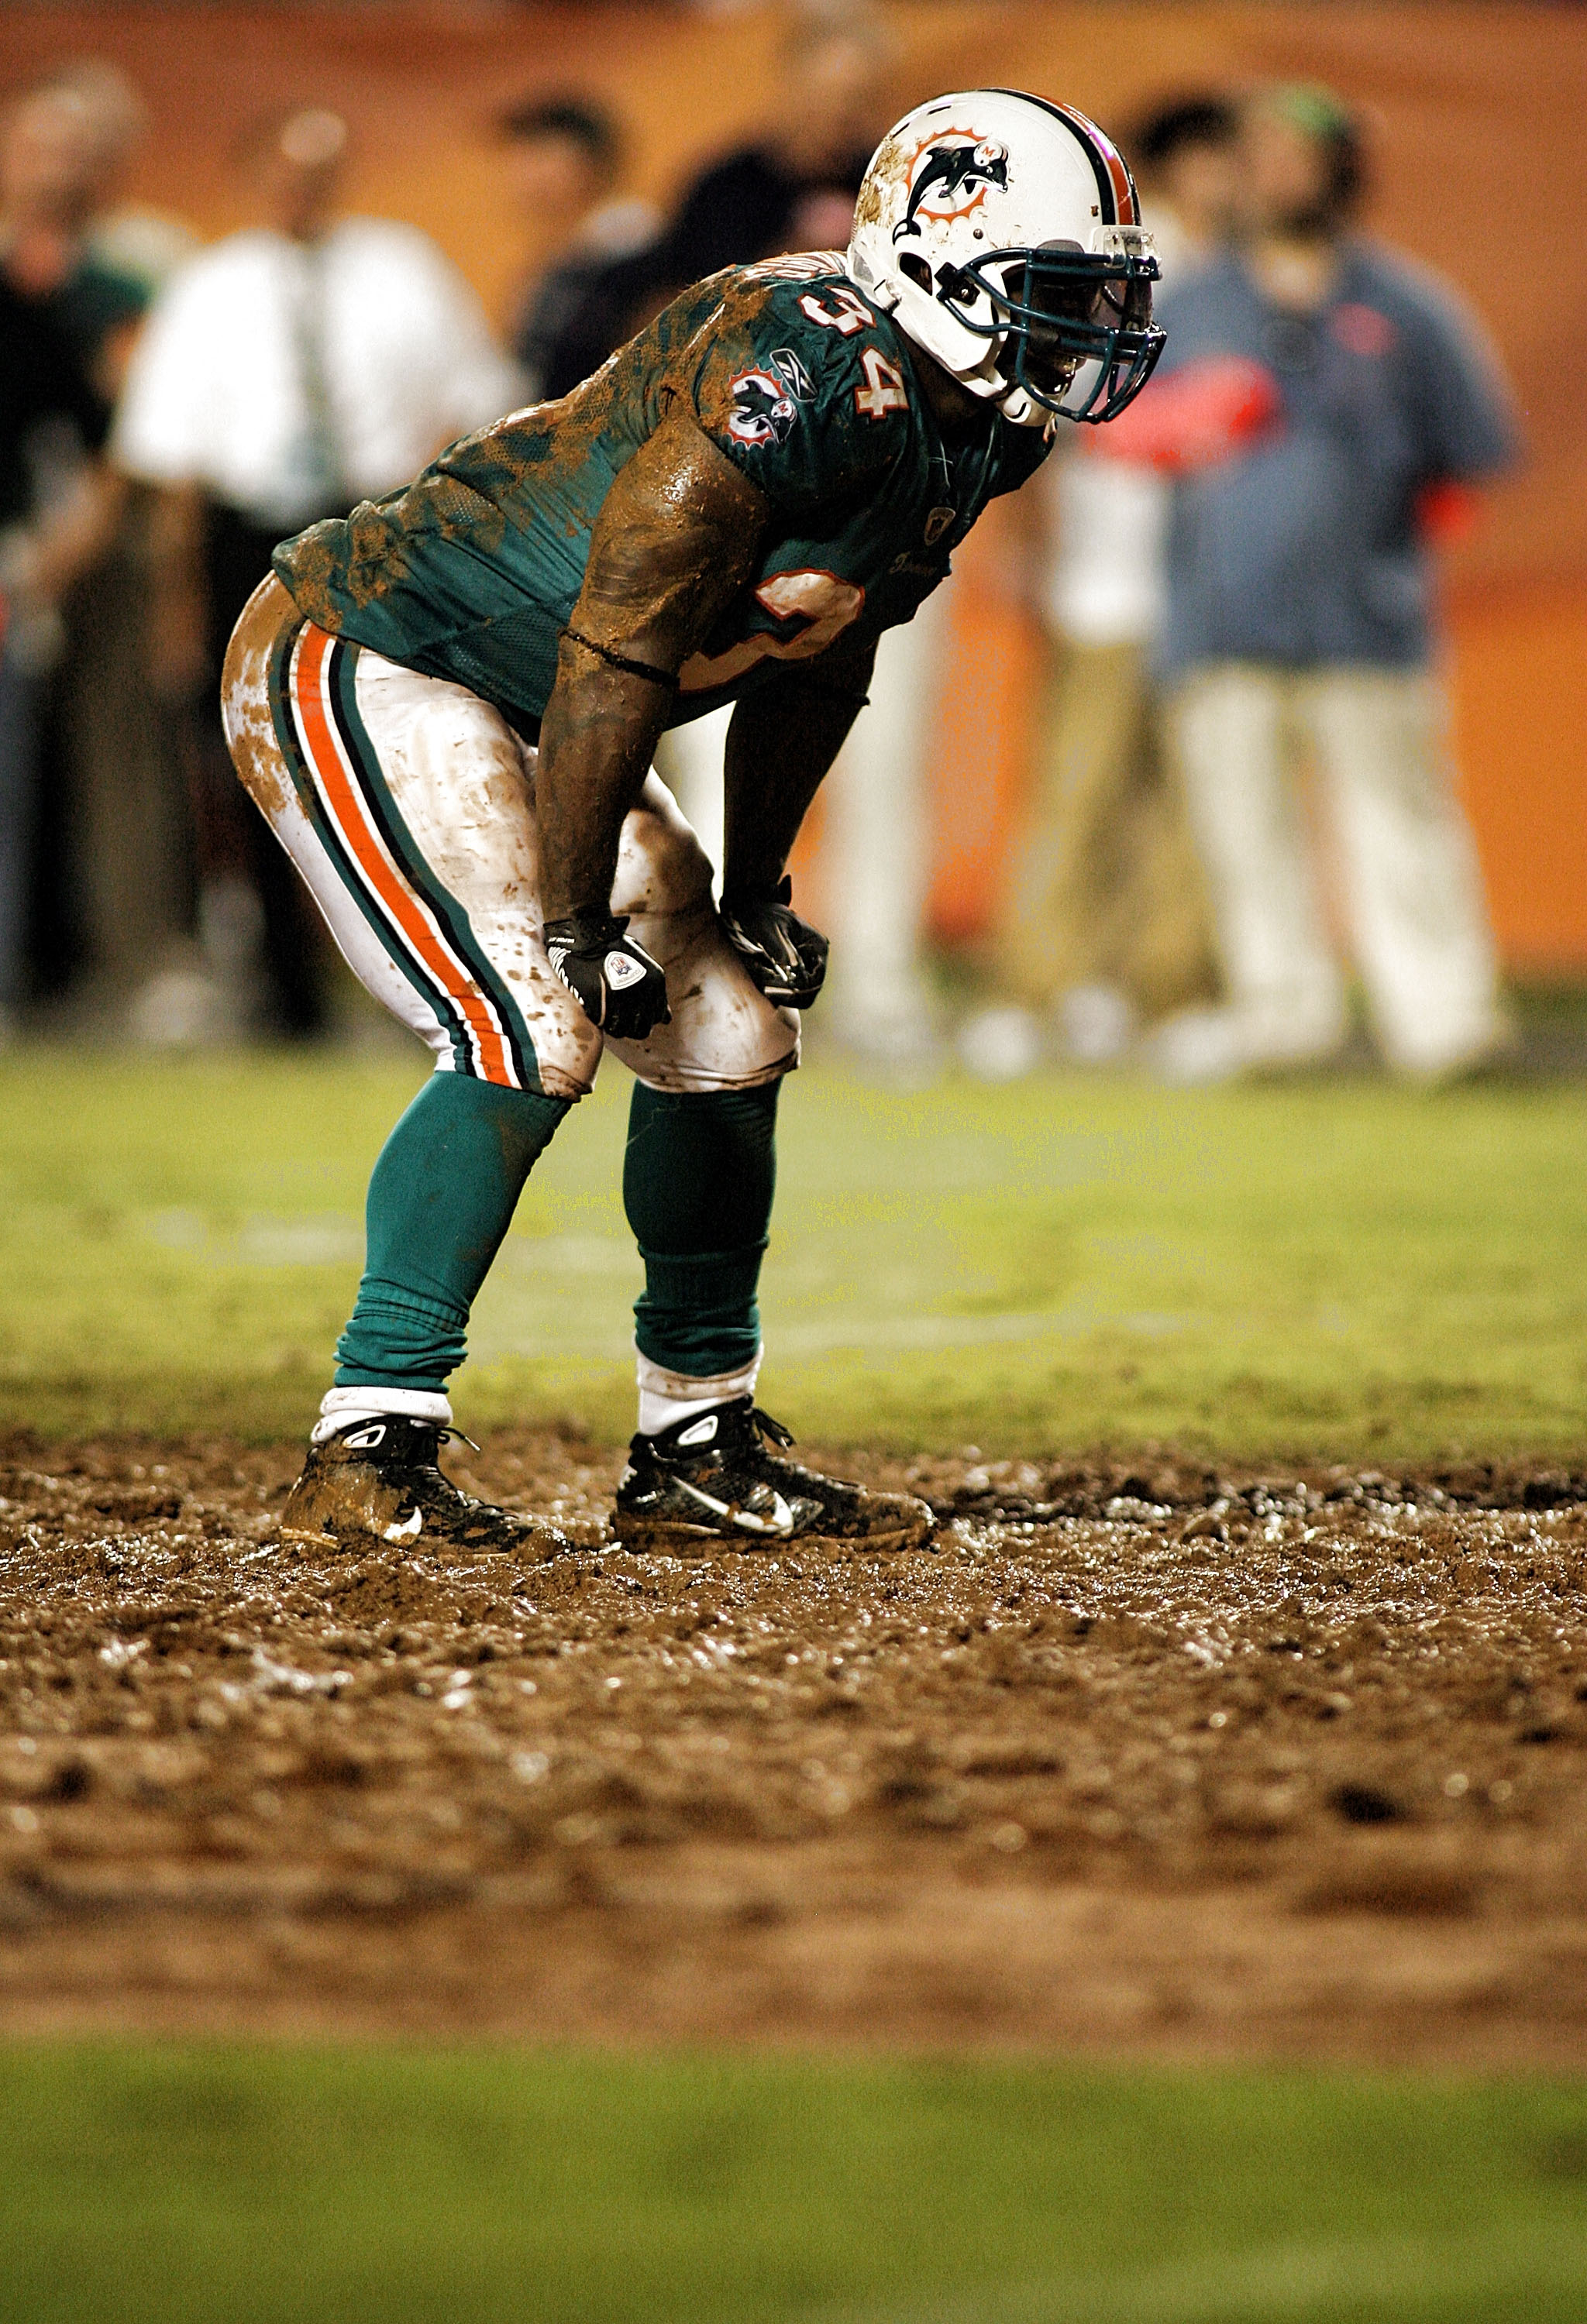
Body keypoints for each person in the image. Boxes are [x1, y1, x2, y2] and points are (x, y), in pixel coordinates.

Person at [218, 89, 1164, 1555]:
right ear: (942, 253)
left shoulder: (978, 426)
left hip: (541, 701)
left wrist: (757, 882)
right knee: (532, 1016)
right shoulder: (787, 363)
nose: (1087, 324)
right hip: (373, 650)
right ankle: (368, 1440)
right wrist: (581, 920)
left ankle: (696, 1444)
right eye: (1059, 286)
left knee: (730, 1027)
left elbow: (823, 656)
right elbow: (614, 650)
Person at [113, 105, 520, 1040]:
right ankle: (284, 994)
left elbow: (481, 406)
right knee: (258, 762)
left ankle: (427, 976)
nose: (303, 189)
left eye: (321, 169)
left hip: (376, 527)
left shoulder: (403, 270)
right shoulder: (208, 287)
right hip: (249, 537)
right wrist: (179, 612)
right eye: (285, 170)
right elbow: (171, 461)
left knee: (404, 748)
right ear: (251, 176)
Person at [1141, 84, 1517, 1081]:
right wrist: (1177, 432)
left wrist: (1384, 527)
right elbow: (1110, 431)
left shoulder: (1407, 307)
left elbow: (1471, 455)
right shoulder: (1190, 305)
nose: (1275, 174)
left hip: (1366, 622)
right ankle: (1283, 1021)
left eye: (1298, 156)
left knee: (1402, 827)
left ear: (1343, 171)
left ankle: (1442, 1026)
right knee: (1245, 834)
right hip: (1220, 619)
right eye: (1259, 154)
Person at [973, 96, 1237, 1076]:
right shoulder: (1119, 266)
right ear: (1178, 165)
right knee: (1076, 793)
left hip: (1214, 586)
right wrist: (1033, 543)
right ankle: (1033, 990)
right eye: (1219, 159)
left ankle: (1167, 992)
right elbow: (1043, 404)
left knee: (1186, 804)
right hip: (1107, 572)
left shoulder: (1250, 280)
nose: (1237, 180)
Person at [0, 72, 139, 1028]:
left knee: (105, 766)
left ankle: (114, 971)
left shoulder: (126, 279)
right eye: (44, 142)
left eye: (82, 147)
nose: (61, 165)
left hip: (67, 550)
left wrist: (59, 553)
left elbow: (120, 439)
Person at [502, 96, 658, 406]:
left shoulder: (635, 245)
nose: (523, 172)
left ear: (589, 162)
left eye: (540, 155)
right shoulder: (555, 263)